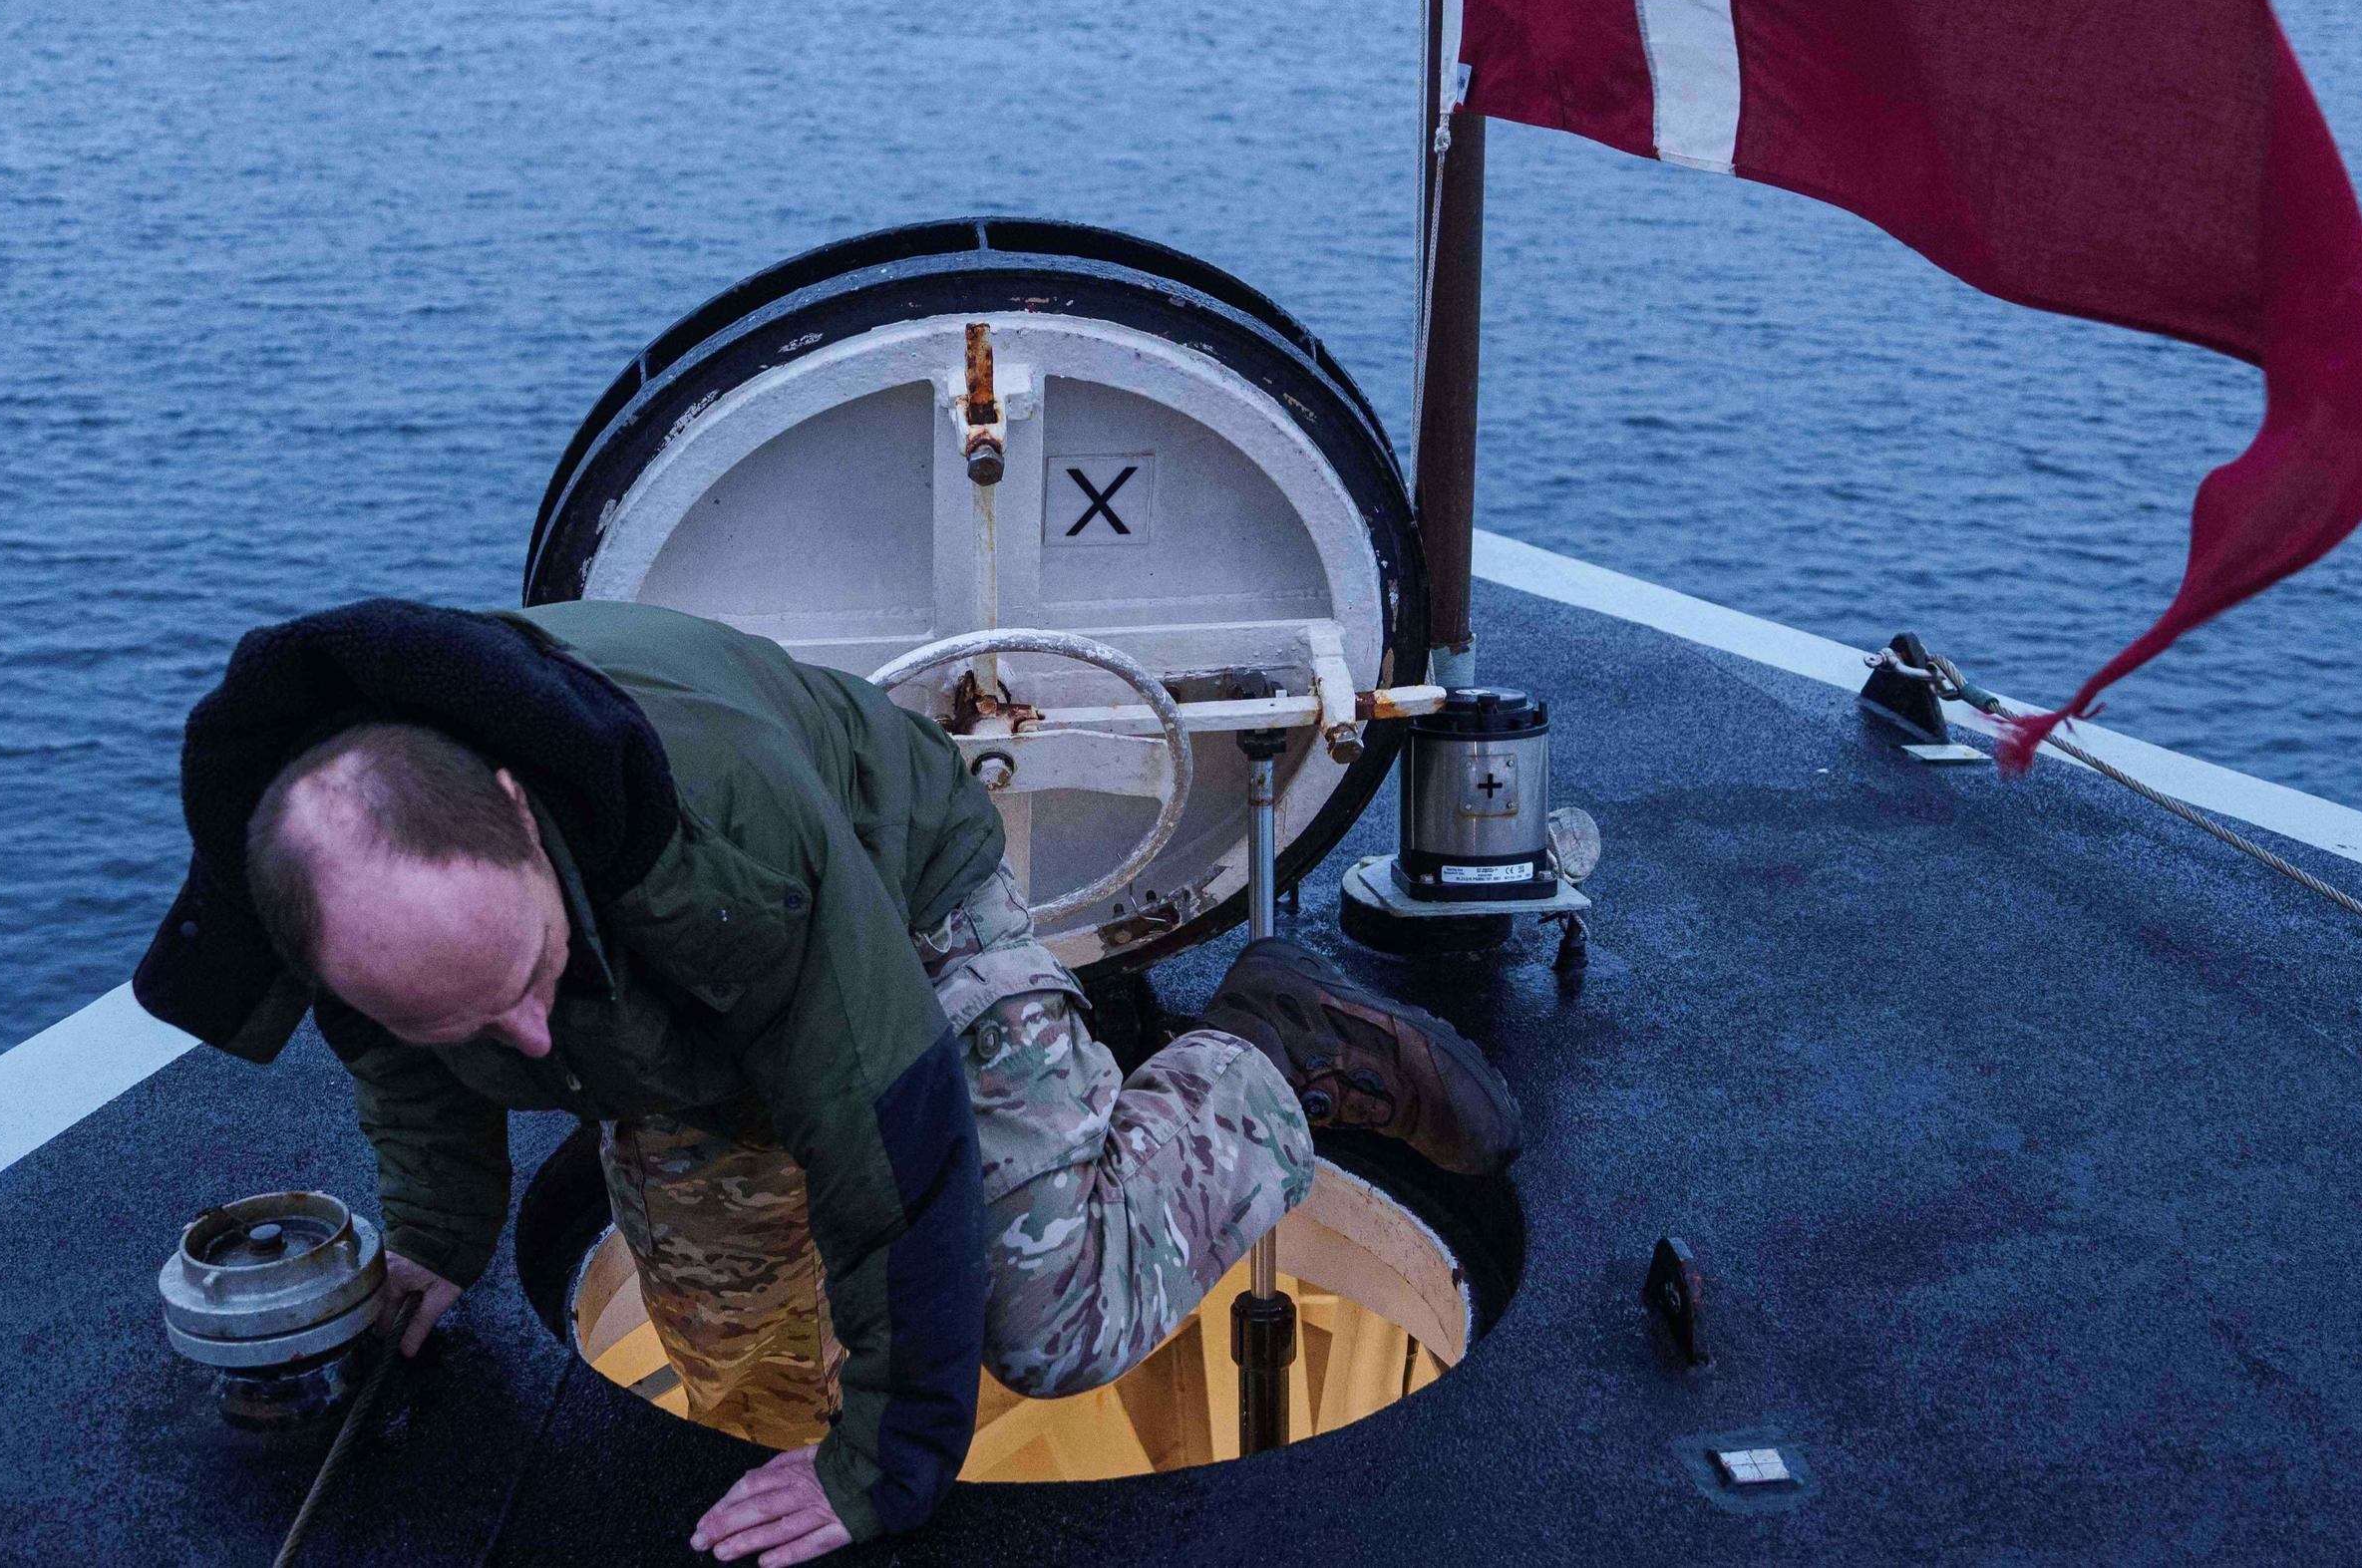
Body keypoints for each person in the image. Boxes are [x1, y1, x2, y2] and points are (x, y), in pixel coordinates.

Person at [134, 597, 1519, 1563]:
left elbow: (885, 1135)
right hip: (668, 990)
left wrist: (887, 1467)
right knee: (740, 1364)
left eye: (529, 971)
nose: (531, 1045)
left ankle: (1276, 1046)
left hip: (888, 894)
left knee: (1055, 1313)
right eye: (474, 1020)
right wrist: (439, 1233)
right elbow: (407, 1056)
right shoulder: (331, 891)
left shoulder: (726, 828)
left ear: (516, 807)